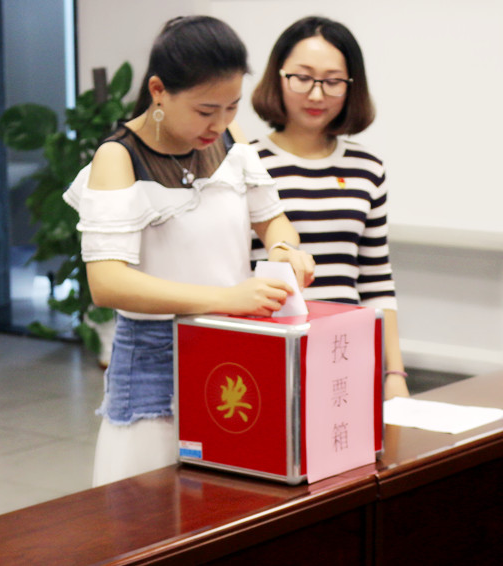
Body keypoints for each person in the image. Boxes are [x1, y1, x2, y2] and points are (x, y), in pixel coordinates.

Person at [63, 16, 315, 486]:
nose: (219, 123)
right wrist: (225, 298)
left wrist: (284, 248)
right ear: (158, 90)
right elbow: (107, 283)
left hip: (233, 349)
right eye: (205, 110)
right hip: (156, 362)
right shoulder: (118, 158)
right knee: (150, 509)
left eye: (232, 107)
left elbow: (272, 220)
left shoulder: (231, 140)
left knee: (233, 497)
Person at [250, 16, 409, 399]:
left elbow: (376, 279)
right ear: (278, 77)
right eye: (302, 78)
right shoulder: (248, 163)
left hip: (347, 354)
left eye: (333, 81)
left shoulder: (367, 168)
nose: (317, 94)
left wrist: (394, 373)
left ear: (352, 86)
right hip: (270, 350)